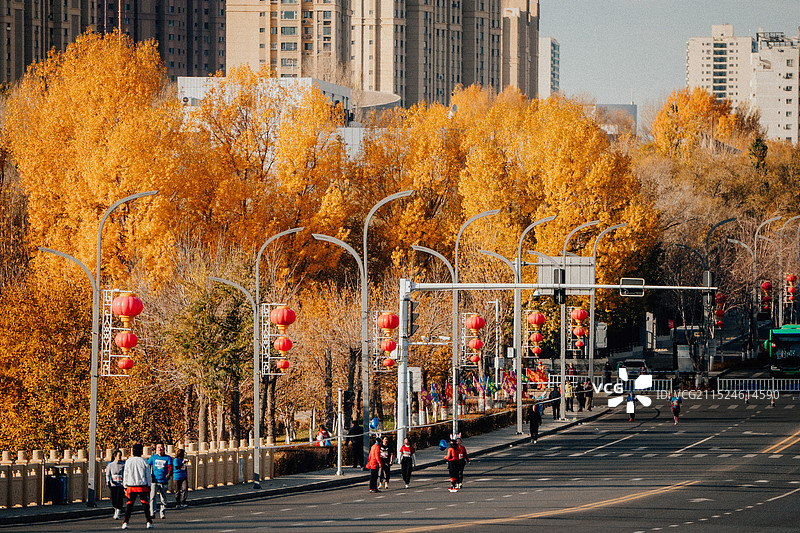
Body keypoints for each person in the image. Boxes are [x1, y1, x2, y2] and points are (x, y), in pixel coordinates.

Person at [122, 443, 153, 529]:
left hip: (131, 485)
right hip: (142, 485)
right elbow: (148, 475)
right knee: (145, 504)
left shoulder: (128, 461)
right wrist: (149, 485)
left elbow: (126, 474)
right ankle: (148, 521)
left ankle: (125, 522)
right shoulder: (144, 461)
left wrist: (125, 485)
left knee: (129, 505)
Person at [148, 443, 172, 520]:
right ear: (156, 449)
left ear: (164, 449)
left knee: (163, 498)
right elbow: (148, 466)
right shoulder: (153, 457)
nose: (160, 449)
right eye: (158, 447)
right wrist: (150, 475)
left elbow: (170, 467)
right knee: (152, 497)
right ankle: (152, 513)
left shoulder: (168, 458)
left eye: (161, 448)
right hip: (154, 480)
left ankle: (162, 513)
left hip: (164, 480)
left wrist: (169, 474)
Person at [105, 449, 125, 520]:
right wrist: (108, 481)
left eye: (121, 456)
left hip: (121, 484)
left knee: (119, 498)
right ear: (115, 456)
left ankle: (118, 512)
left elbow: (125, 474)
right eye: (119, 455)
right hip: (113, 484)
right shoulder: (110, 464)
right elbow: (107, 474)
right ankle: (115, 509)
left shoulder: (123, 464)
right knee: (114, 498)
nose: (120, 457)